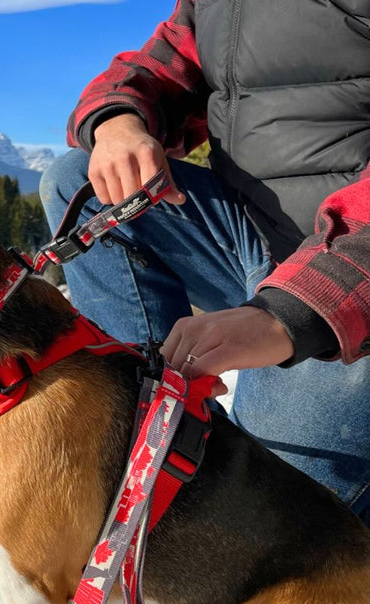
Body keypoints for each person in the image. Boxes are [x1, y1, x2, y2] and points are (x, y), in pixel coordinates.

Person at [40, 0, 370, 524]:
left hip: (349, 275)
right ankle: (147, 420)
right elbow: (160, 66)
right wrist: (118, 121)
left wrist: (290, 314)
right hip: (254, 240)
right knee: (81, 181)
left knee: (270, 521)